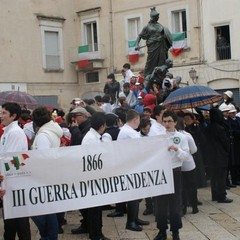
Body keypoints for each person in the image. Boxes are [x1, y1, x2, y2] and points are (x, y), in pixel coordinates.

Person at [154, 111, 190, 240]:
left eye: (170, 121)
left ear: (175, 122)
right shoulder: (158, 136)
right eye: (165, 121)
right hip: (161, 172)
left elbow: (186, 156)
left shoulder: (182, 137)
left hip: (175, 171)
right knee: (160, 204)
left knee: (175, 204)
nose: (167, 124)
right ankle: (161, 230)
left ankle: (175, 231)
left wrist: (177, 149)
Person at [31, 106, 63, 240]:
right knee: (49, 215)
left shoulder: (44, 135)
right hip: (51, 177)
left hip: (44, 180)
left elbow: (42, 159)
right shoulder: (51, 131)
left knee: (46, 218)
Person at [0, 102, 31, 240]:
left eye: (4, 113)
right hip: (7, 184)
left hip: (15, 185)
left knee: (21, 225)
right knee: (10, 225)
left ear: (13, 116)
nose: (1, 116)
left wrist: (4, 180)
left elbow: (14, 161)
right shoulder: (6, 133)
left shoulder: (16, 133)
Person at [117, 110, 149, 232]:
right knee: (133, 196)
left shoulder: (126, 130)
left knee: (136, 195)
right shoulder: (130, 133)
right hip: (130, 167)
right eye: (139, 120)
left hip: (130, 166)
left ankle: (135, 218)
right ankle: (130, 222)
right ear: (135, 120)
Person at [81, 112, 110, 240]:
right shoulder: (92, 139)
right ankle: (96, 235)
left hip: (94, 177)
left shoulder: (93, 136)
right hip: (92, 178)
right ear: (102, 126)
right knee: (94, 209)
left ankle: (97, 232)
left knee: (96, 209)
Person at [204, 108, 233, 203]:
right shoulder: (220, 128)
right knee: (221, 176)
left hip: (210, 155)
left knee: (214, 176)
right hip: (220, 155)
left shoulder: (208, 127)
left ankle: (215, 195)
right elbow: (225, 142)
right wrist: (227, 150)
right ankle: (222, 196)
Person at [136, 7, 172, 77]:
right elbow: (139, 36)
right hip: (152, 47)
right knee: (150, 62)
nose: (158, 17)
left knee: (162, 60)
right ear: (153, 17)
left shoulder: (160, 25)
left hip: (161, 46)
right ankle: (147, 75)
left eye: (158, 16)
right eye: (157, 16)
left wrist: (165, 38)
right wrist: (137, 44)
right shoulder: (147, 27)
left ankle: (161, 74)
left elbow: (165, 34)